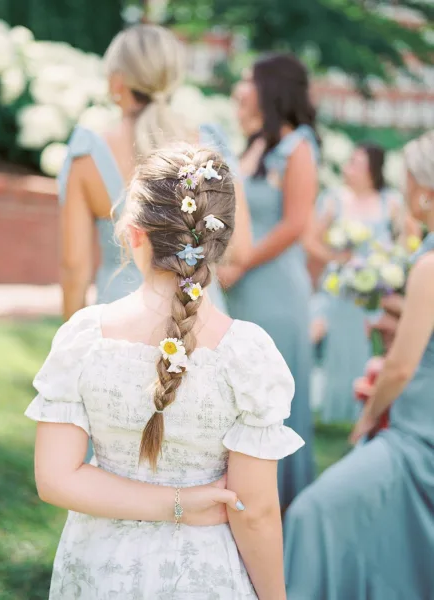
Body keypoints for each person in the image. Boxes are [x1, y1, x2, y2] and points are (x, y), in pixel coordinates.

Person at [25, 144, 304, 599]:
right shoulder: (246, 356)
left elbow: (56, 478)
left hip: (99, 572)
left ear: (134, 234)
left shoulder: (86, 339)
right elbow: (254, 513)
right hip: (200, 576)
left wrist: (173, 506)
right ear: (220, 240)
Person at [284, 130, 434, 600]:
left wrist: (369, 418)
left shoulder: (429, 264)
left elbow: (401, 368)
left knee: (311, 512)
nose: (402, 188)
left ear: (425, 191)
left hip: (417, 437)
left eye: (407, 179)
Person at [59, 24, 250, 321]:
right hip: (198, 318)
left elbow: (74, 268)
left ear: (117, 81)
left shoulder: (88, 155)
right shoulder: (211, 144)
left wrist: (72, 348)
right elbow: (240, 249)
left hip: (120, 321)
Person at [221, 53, 318, 509]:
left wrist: (241, 264)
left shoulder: (299, 147)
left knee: (272, 398)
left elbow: (294, 224)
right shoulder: (254, 144)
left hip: (275, 290)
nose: (241, 88)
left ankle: (278, 504)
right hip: (242, 288)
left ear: (270, 88)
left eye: (247, 80)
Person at [305, 143, 414, 423]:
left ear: (372, 171)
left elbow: (405, 243)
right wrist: (336, 258)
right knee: (337, 345)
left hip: (374, 291)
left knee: (366, 346)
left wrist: (388, 266)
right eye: (350, 161)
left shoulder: (390, 202)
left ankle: (363, 406)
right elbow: (310, 241)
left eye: (356, 163)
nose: (348, 168)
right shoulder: (334, 199)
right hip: (339, 289)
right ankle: (334, 409)